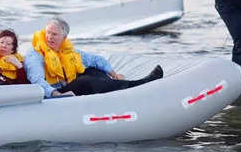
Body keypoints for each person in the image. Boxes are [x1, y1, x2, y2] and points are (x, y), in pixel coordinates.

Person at [24, 18, 163, 98]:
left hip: (69, 84)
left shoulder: (66, 50)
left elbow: (95, 59)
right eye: (48, 33)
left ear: (64, 37)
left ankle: (116, 88)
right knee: (86, 81)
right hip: (55, 92)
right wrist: (55, 94)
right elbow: (36, 80)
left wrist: (113, 73)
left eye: (54, 34)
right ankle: (138, 85)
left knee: (94, 70)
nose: (49, 37)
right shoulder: (35, 55)